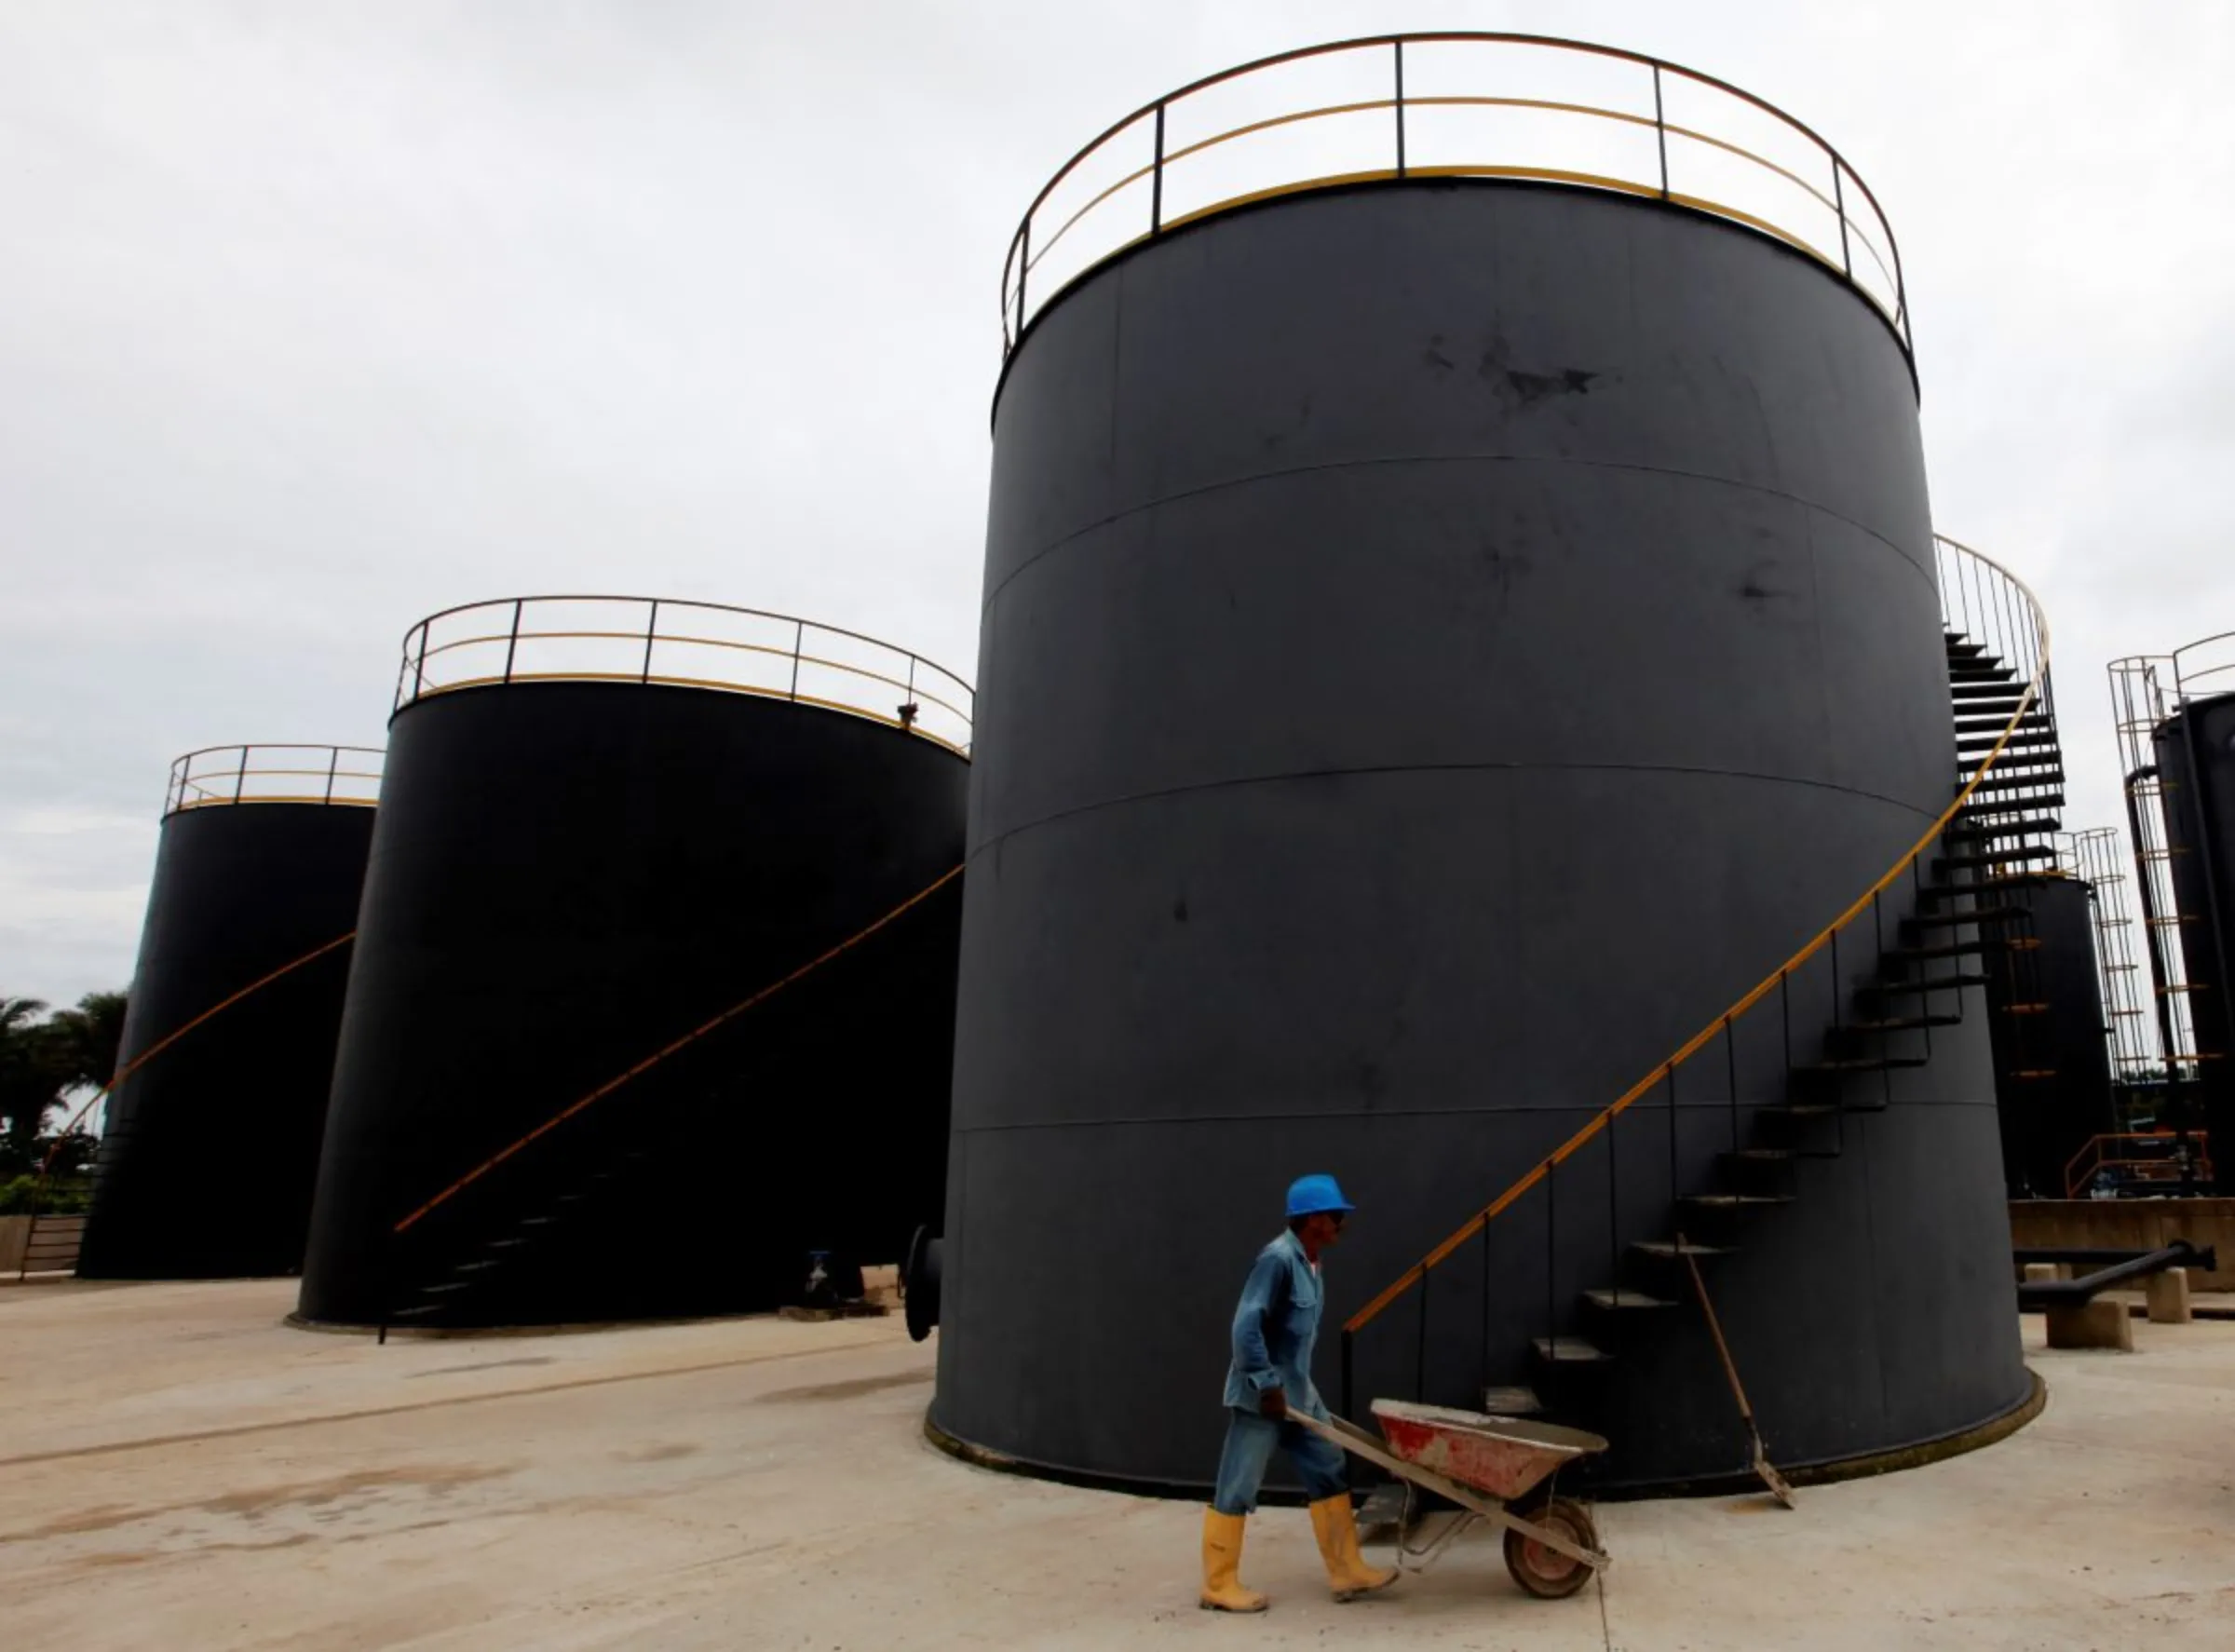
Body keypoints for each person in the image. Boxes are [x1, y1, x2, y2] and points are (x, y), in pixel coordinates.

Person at [1199, 1172, 1398, 1613]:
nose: (1341, 1223)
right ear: (1311, 1220)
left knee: (1329, 1468)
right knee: (1238, 1484)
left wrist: (1294, 1391)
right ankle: (1219, 1583)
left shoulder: (1310, 1262)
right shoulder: (1278, 1260)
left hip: (1298, 1397)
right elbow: (1245, 1326)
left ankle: (1347, 1569)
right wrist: (1267, 1385)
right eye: (1335, 1216)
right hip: (1263, 1399)